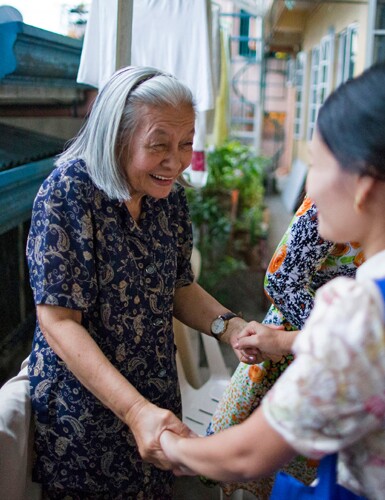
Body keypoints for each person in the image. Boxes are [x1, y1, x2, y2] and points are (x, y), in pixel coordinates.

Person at [26, 66, 265, 499]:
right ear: (116, 137)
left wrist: (230, 327)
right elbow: (58, 322)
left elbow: (179, 286)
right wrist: (134, 410)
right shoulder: (68, 195)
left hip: (155, 394)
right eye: (159, 145)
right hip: (88, 411)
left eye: (186, 144)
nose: (176, 161)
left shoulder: (167, 196)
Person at [160, 62, 385, 500]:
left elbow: (246, 455)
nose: (310, 191)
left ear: (363, 185)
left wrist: (167, 442)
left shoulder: (359, 314)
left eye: (317, 165)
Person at [205, 195, 363, 498]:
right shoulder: (330, 200)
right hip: (290, 363)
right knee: (265, 470)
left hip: (333, 363)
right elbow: (282, 280)